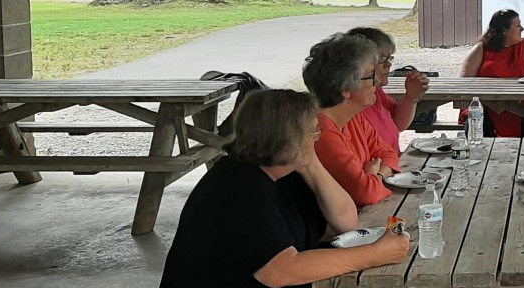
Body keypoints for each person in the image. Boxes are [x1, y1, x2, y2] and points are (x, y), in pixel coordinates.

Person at [160, 89, 410, 288]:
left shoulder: (284, 172)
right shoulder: (238, 186)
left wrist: (311, 164)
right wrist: (374, 255)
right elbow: (279, 271)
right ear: (282, 138)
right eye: (312, 131)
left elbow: (344, 224)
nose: (318, 137)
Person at [303, 33, 401, 207]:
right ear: (346, 88)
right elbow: (366, 193)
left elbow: (389, 154)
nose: (377, 81)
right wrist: (376, 177)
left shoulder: (353, 118)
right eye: (371, 75)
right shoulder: (321, 134)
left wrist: (374, 176)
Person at [459, 8, 524, 138]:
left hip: (521, 103)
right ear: (503, 30)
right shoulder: (481, 49)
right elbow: (464, 83)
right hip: (486, 105)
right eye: (517, 26)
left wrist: (519, 97)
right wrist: (489, 102)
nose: (522, 29)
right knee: (478, 128)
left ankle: (521, 155)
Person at [346, 27, 430, 153]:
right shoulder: (350, 105)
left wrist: (411, 97)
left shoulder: (375, 92)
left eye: (389, 58)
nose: (388, 64)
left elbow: (398, 123)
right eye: (381, 59)